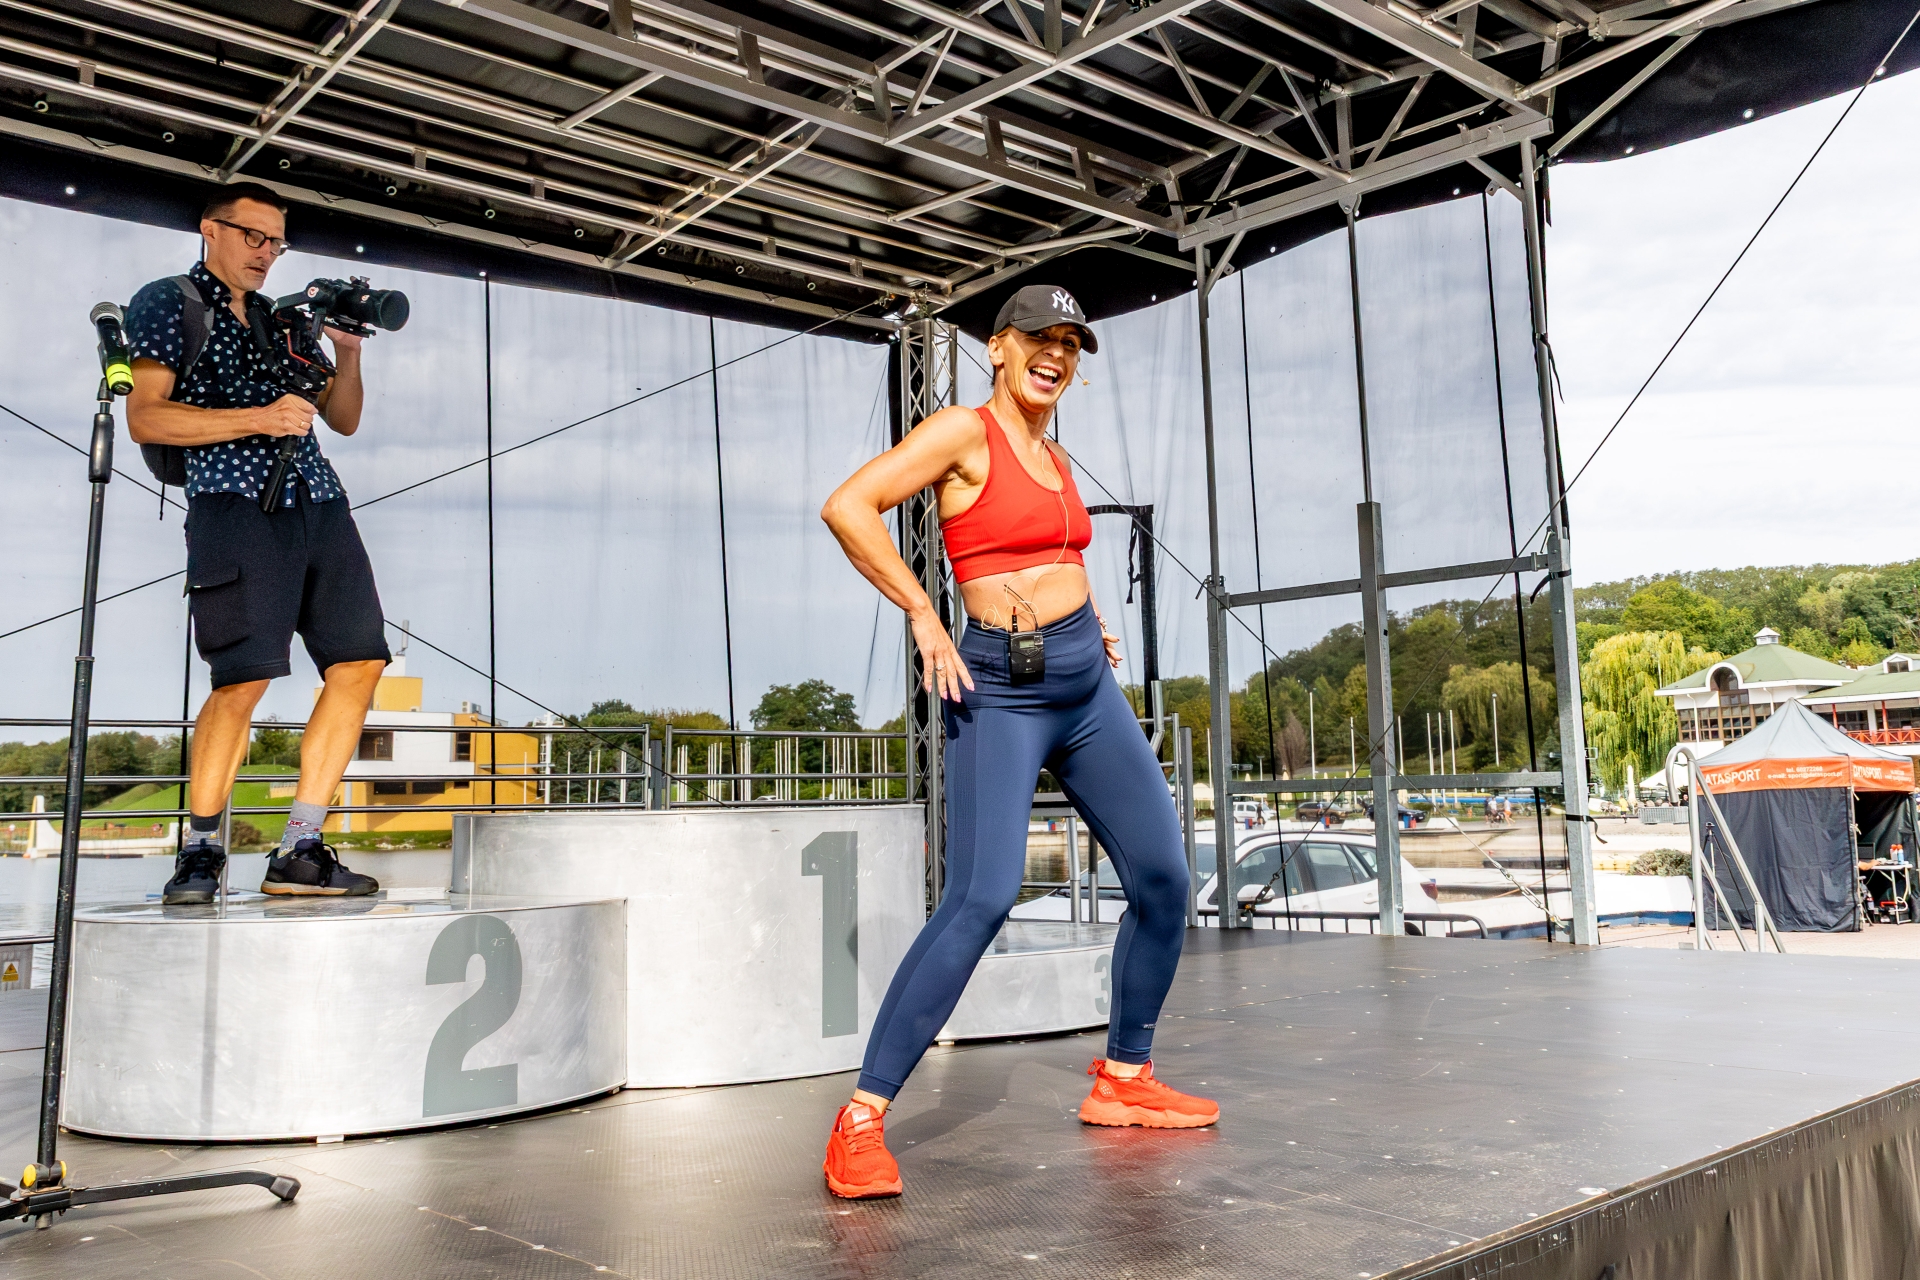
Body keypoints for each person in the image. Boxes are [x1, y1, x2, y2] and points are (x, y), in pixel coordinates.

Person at [817, 284, 1215, 1200]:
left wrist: (1087, 621)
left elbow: (1053, 555)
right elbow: (849, 506)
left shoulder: (1054, 452)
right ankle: (862, 1120)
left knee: (1164, 879)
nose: (1056, 354)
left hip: (1086, 688)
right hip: (998, 689)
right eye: (1041, 337)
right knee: (983, 896)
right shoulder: (964, 433)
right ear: (998, 346)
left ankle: (1124, 1079)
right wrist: (923, 613)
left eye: (1071, 343)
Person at [126, 182, 389, 904]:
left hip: (320, 501)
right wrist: (258, 418)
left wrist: (346, 351)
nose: (266, 252)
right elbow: (147, 418)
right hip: (234, 504)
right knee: (243, 678)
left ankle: (300, 847)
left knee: (360, 662)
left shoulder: (281, 319)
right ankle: (201, 850)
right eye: (253, 236)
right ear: (210, 228)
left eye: (276, 241)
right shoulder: (171, 300)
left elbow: (343, 418)